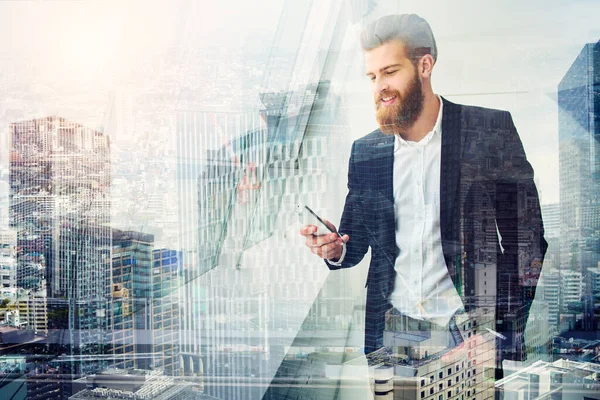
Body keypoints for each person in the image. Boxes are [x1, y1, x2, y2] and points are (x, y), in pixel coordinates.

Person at [300, 14, 547, 379]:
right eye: (372, 76)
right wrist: (334, 249)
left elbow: (527, 243)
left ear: (425, 65)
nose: (379, 86)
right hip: (391, 332)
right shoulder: (366, 150)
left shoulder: (488, 131)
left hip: (467, 332)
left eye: (390, 71)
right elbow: (355, 242)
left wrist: (503, 333)